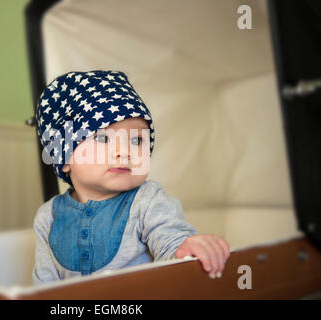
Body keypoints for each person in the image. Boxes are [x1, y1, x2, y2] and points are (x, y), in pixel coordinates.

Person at [32, 70, 230, 284]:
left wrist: (185, 247)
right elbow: (44, 286)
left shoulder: (147, 200)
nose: (124, 152)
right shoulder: (48, 217)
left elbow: (170, 243)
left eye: (136, 141)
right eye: (103, 138)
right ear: (65, 157)